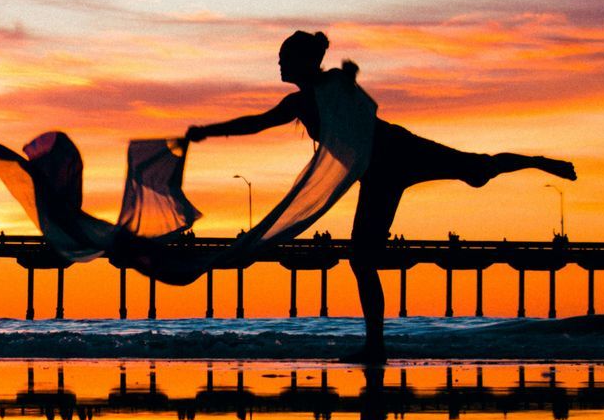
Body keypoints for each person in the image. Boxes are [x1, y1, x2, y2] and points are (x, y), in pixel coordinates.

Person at [187, 31, 575, 361]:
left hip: (399, 150)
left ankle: (538, 161)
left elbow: (347, 89)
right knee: (362, 257)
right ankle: (376, 345)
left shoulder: (329, 84)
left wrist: (350, 78)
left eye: (283, 59)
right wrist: (208, 130)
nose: (278, 66)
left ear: (304, 60)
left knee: (479, 169)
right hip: (377, 176)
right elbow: (256, 123)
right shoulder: (298, 103)